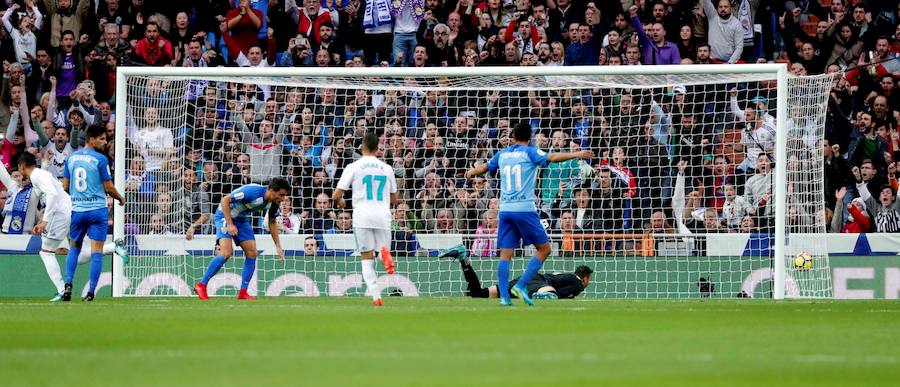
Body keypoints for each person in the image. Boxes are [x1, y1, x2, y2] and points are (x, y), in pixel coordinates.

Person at [465, 122, 593, 306]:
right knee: (545, 249)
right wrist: (577, 154)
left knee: (505, 255)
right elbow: (552, 157)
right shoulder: (530, 152)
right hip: (524, 209)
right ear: (530, 138)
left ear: (513, 136)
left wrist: (470, 172)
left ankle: (504, 299)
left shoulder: (503, 153)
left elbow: (483, 168)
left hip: (505, 209)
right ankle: (522, 284)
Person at [193, 178, 289, 300]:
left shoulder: (274, 202)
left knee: (252, 253)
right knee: (226, 253)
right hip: (224, 215)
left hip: (241, 219)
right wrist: (229, 224)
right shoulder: (252, 192)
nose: (282, 199)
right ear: (271, 190)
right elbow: (225, 200)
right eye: (281, 195)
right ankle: (202, 285)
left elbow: (272, 222)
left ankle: (243, 292)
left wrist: (278, 246)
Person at [61, 126, 126, 301]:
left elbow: (65, 187)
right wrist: (120, 198)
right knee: (97, 251)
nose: (105, 142)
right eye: (102, 139)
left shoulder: (71, 159)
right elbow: (108, 187)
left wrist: (77, 199)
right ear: (91, 139)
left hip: (78, 211)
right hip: (97, 211)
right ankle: (91, 292)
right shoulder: (100, 159)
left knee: (74, 248)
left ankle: (68, 284)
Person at [332, 133, 398, 307]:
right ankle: (384, 252)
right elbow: (394, 200)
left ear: (361, 147)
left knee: (366, 259)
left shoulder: (354, 166)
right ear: (378, 149)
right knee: (382, 248)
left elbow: (336, 194)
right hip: (383, 215)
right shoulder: (387, 168)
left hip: (362, 215)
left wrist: (340, 201)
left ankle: (376, 297)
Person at [439, 245, 592, 299]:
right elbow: (561, 295)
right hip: (538, 283)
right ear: (585, 278)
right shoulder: (577, 282)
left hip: (526, 280)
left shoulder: (565, 276)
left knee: (478, 293)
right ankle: (536, 295)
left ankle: (463, 258)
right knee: (551, 297)